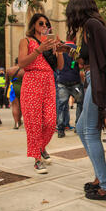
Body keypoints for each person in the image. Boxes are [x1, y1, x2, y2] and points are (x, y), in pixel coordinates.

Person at [65, 0, 106, 199]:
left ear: (77, 9)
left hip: (98, 79)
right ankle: (100, 177)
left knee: (89, 130)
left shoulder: (93, 25)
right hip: (92, 78)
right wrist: (69, 50)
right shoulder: (88, 28)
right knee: (82, 128)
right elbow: (87, 59)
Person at [18, 13, 64, 174]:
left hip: (48, 82)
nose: (44, 26)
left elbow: (59, 66)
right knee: (34, 122)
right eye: (41, 23)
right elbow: (22, 63)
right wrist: (39, 50)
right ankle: (37, 158)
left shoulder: (50, 43)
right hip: (32, 81)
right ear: (33, 25)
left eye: (47, 24)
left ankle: (41, 147)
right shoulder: (26, 41)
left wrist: (58, 50)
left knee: (51, 121)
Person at [56, 34, 84, 138]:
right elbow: (81, 65)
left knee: (61, 106)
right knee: (80, 104)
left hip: (62, 81)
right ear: (75, 38)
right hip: (75, 82)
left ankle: (61, 129)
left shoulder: (61, 49)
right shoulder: (77, 49)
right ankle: (78, 126)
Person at [6, 58, 24, 129]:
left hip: (13, 88)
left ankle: (16, 123)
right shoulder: (24, 70)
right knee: (22, 106)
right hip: (22, 88)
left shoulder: (9, 70)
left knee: (15, 106)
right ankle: (20, 120)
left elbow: (6, 81)